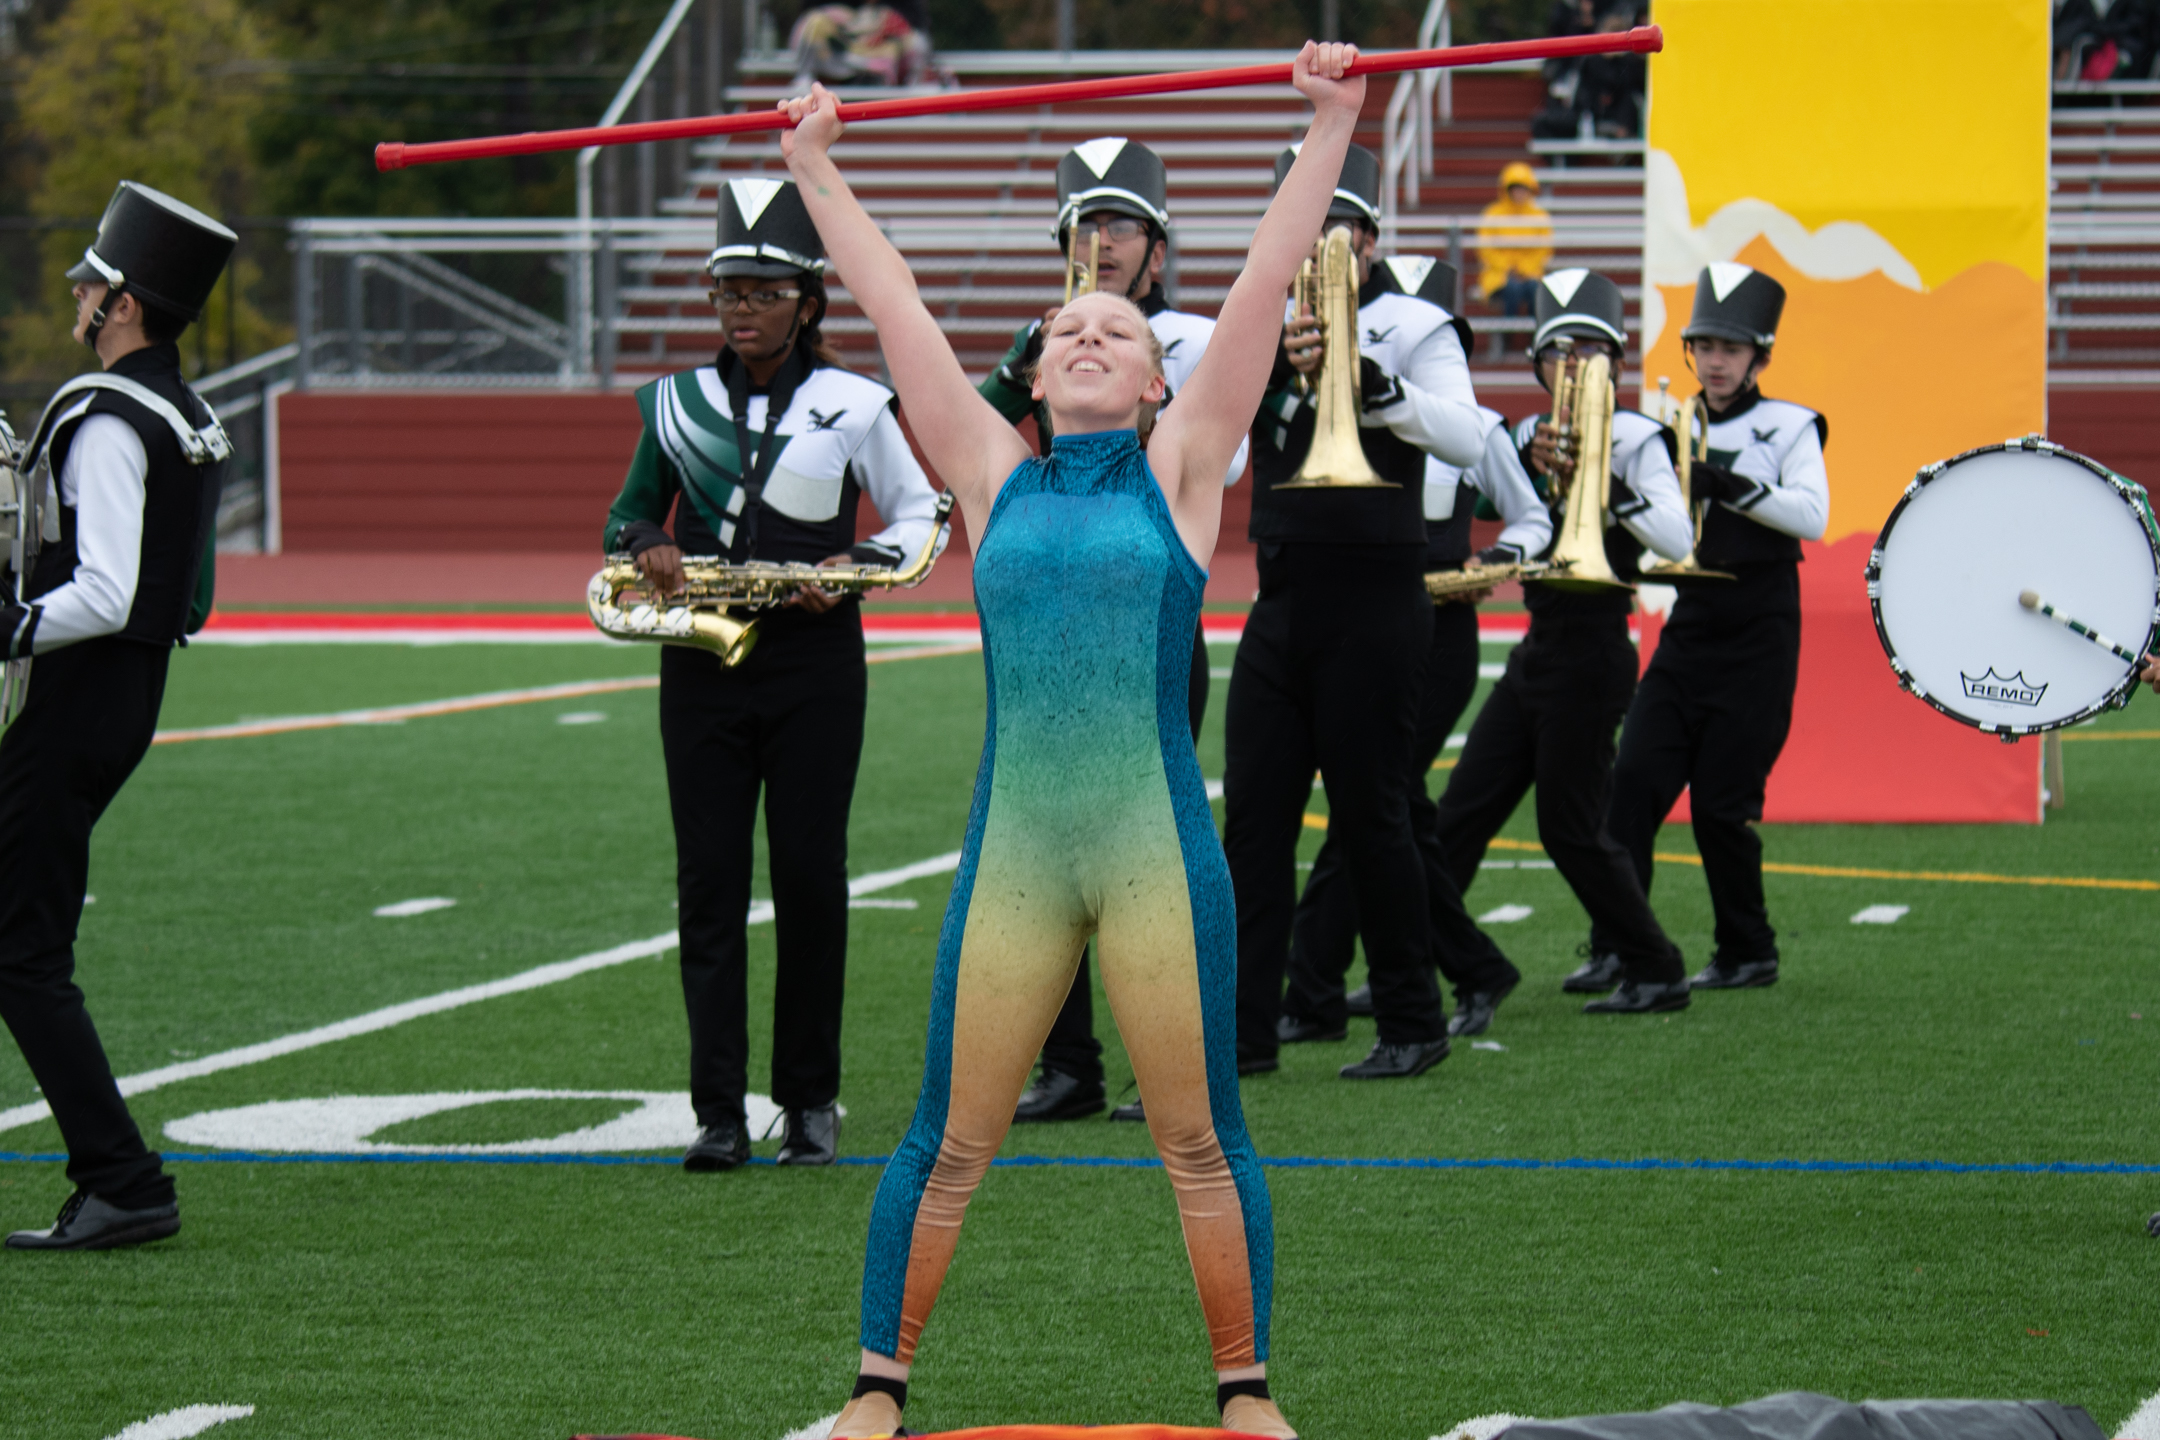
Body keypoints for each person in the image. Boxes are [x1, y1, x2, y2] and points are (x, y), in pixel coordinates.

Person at [778, 43, 1366, 1439]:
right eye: (1063, 329)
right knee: (951, 1139)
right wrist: (813, 167)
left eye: (1119, 329)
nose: (1089, 331)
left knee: (1199, 1142)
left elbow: (1264, 283)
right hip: (1020, 855)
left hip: (1157, 850)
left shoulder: (1183, 466)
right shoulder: (992, 475)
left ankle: (1245, 1393)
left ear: (1167, 383)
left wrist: (1331, 122)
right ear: (1033, 379)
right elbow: (894, 303)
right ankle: (877, 1387)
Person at [602, 177, 944, 1172]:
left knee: (808, 878)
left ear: (807, 299)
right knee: (708, 885)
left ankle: (809, 1100)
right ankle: (718, 1110)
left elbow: (920, 511)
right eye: (728, 292)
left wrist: (855, 570)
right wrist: (644, 546)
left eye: (762, 291)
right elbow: (626, 514)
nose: (742, 309)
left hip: (814, 664)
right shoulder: (675, 404)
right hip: (701, 659)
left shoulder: (854, 402)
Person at [978, 136, 1249, 1126]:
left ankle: (1163, 1053)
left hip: (1145, 626)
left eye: (1118, 225)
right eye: (1083, 226)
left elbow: (1223, 461)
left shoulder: (1190, 338)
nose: (1099, 242)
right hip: (1046, 632)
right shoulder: (1051, 342)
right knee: (1044, 830)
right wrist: (1020, 371)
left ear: (1157, 246)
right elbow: (984, 455)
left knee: (1147, 848)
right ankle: (1068, 1060)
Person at [0, 181, 234, 1250]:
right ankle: (119, 1175)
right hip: (120, 698)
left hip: (76, 701)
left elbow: (103, 590)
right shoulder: (184, 410)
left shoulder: (108, 416)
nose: (80, 294)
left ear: (124, 306)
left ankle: (123, 1179)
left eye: (93, 281)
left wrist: (6, 627)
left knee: (23, 955)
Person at [1226, 146, 1488, 1082]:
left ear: (1369, 239)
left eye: (1334, 226)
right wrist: (1261, 375)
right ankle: (1243, 1036)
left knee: (1373, 816)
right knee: (1252, 825)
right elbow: (1216, 465)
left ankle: (1414, 1021)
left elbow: (1470, 434)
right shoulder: (1256, 318)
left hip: (1378, 592)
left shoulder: (1416, 326)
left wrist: (1372, 385)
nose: (1316, 244)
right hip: (1282, 593)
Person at [1278, 257, 1552, 1043]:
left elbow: (1531, 517)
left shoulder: (1476, 429)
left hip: (1442, 628)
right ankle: (1466, 966)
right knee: (1392, 809)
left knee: (1378, 806)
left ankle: (1316, 985)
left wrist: (1495, 564)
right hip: (1375, 609)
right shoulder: (1354, 409)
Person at [1430, 268, 1695, 1015]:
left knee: (1569, 829)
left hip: (1596, 649)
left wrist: (1605, 480)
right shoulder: (1526, 434)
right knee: (1459, 814)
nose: (1573, 364)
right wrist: (1526, 472)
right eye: (1558, 350)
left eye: (1590, 348)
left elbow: (1676, 540)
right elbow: (1488, 502)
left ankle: (1656, 965)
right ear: (1538, 364)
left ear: (1615, 359)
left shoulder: (1641, 437)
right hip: (1537, 649)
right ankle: (1429, 966)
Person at [1587, 264, 1828, 993]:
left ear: (1760, 355)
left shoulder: (1790, 425)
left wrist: (1730, 483)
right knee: (1631, 784)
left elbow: (1812, 516)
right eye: (1705, 347)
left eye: (1732, 347)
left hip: (1760, 631)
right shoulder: (1664, 426)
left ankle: (1748, 950)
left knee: (1723, 805)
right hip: (1689, 627)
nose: (1716, 362)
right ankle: (1618, 944)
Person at [1476, 162, 1551, 351]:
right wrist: (1508, 267)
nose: (1519, 194)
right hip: (1499, 274)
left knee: (1535, 290)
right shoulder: (1493, 214)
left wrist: (1525, 269)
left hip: (1531, 274)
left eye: (1523, 189)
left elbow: (1544, 249)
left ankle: (1536, 337)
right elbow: (1486, 248)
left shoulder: (1539, 216)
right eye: (1515, 189)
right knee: (1512, 290)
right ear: (1507, 190)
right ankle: (1506, 336)